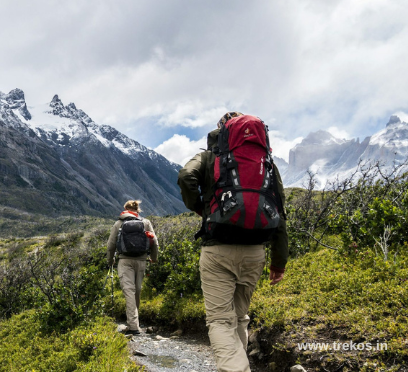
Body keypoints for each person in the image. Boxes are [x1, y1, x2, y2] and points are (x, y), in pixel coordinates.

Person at [177, 112, 288, 372]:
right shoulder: (267, 163)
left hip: (218, 250)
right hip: (255, 252)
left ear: (222, 132)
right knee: (240, 316)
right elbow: (279, 211)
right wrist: (279, 261)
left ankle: (236, 369)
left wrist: (201, 208)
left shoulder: (209, 157)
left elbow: (185, 177)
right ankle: (236, 365)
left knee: (219, 321)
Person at [107, 200, 158, 335]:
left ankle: (133, 326)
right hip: (141, 261)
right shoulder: (145, 222)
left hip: (125, 261)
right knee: (137, 290)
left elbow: (111, 245)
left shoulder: (119, 223)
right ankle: (135, 322)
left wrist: (110, 260)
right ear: (138, 210)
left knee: (129, 291)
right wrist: (154, 258)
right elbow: (155, 242)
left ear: (125, 209)